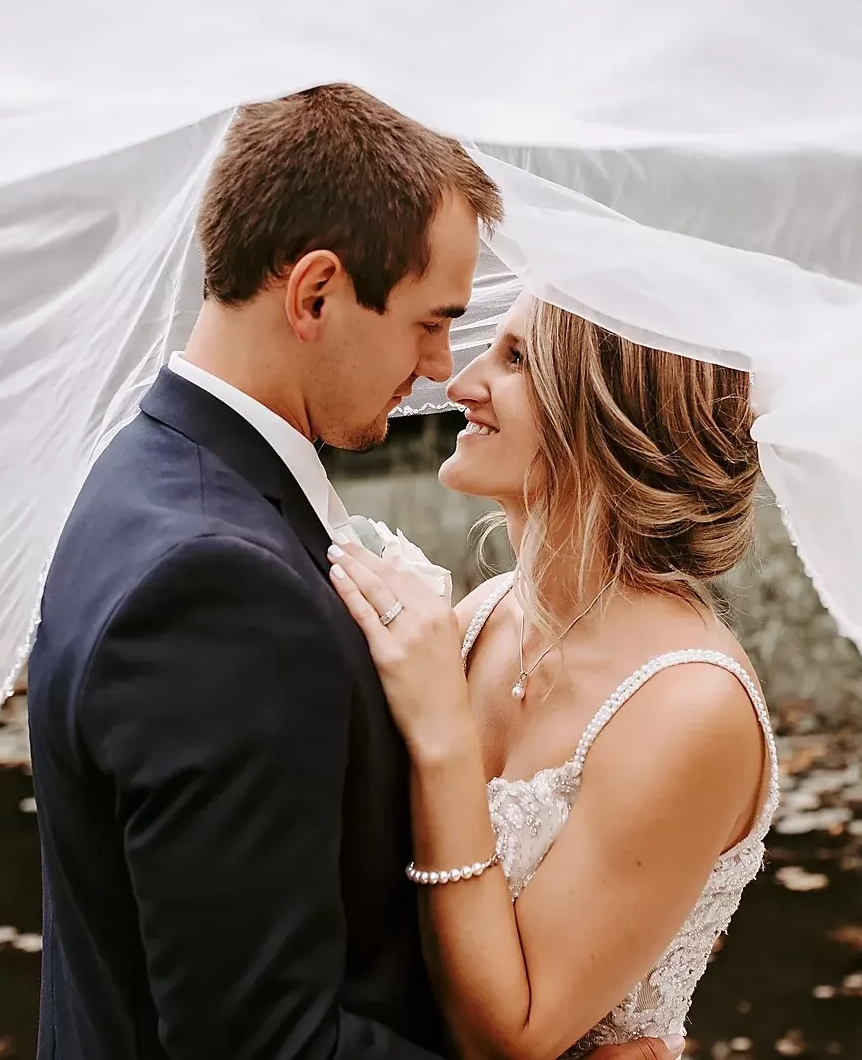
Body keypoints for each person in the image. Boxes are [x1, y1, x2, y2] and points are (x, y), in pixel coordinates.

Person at [26, 84, 676, 1059]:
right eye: (427, 320)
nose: (433, 369)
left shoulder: (143, 476)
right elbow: (264, 1045)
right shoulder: (216, 588)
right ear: (315, 292)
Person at [326, 292, 777, 1058]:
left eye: (514, 360)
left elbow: (508, 1036)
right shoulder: (475, 620)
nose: (462, 383)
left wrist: (442, 735)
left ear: (603, 417)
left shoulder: (689, 705)